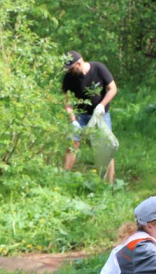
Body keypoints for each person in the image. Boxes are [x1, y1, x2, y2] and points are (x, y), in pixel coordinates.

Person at [62, 50, 118, 183]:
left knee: (106, 145)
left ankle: (108, 184)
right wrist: (73, 121)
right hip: (80, 115)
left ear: (78, 64)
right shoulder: (69, 77)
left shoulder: (99, 68)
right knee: (72, 142)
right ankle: (64, 178)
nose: (69, 71)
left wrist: (102, 105)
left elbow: (113, 88)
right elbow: (66, 100)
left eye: (71, 68)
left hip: (100, 115)